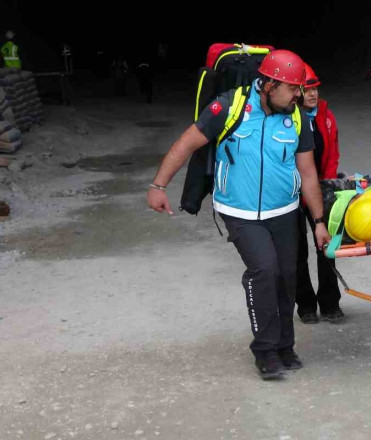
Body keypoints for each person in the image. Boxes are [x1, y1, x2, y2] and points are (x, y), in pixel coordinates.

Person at [146, 49, 329, 381]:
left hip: (284, 212)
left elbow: (308, 171)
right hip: (239, 211)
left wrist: (318, 221)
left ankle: (285, 347)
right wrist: (158, 185)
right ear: (269, 85)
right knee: (264, 270)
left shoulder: (297, 116)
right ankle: (265, 350)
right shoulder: (230, 107)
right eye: (292, 89)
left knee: (288, 277)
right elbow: (187, 143)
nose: (298, 96)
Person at [295, 63, 344, 324]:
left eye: (315, 89)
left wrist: (328, 187)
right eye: (307, 89)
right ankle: (305, 305)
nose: (313, 95)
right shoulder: (287, 118)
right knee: (297, 250)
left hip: (321, 190)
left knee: (326, 247)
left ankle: (330, 303)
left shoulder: (326, 115)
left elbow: (333, 152)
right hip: (292, 194)